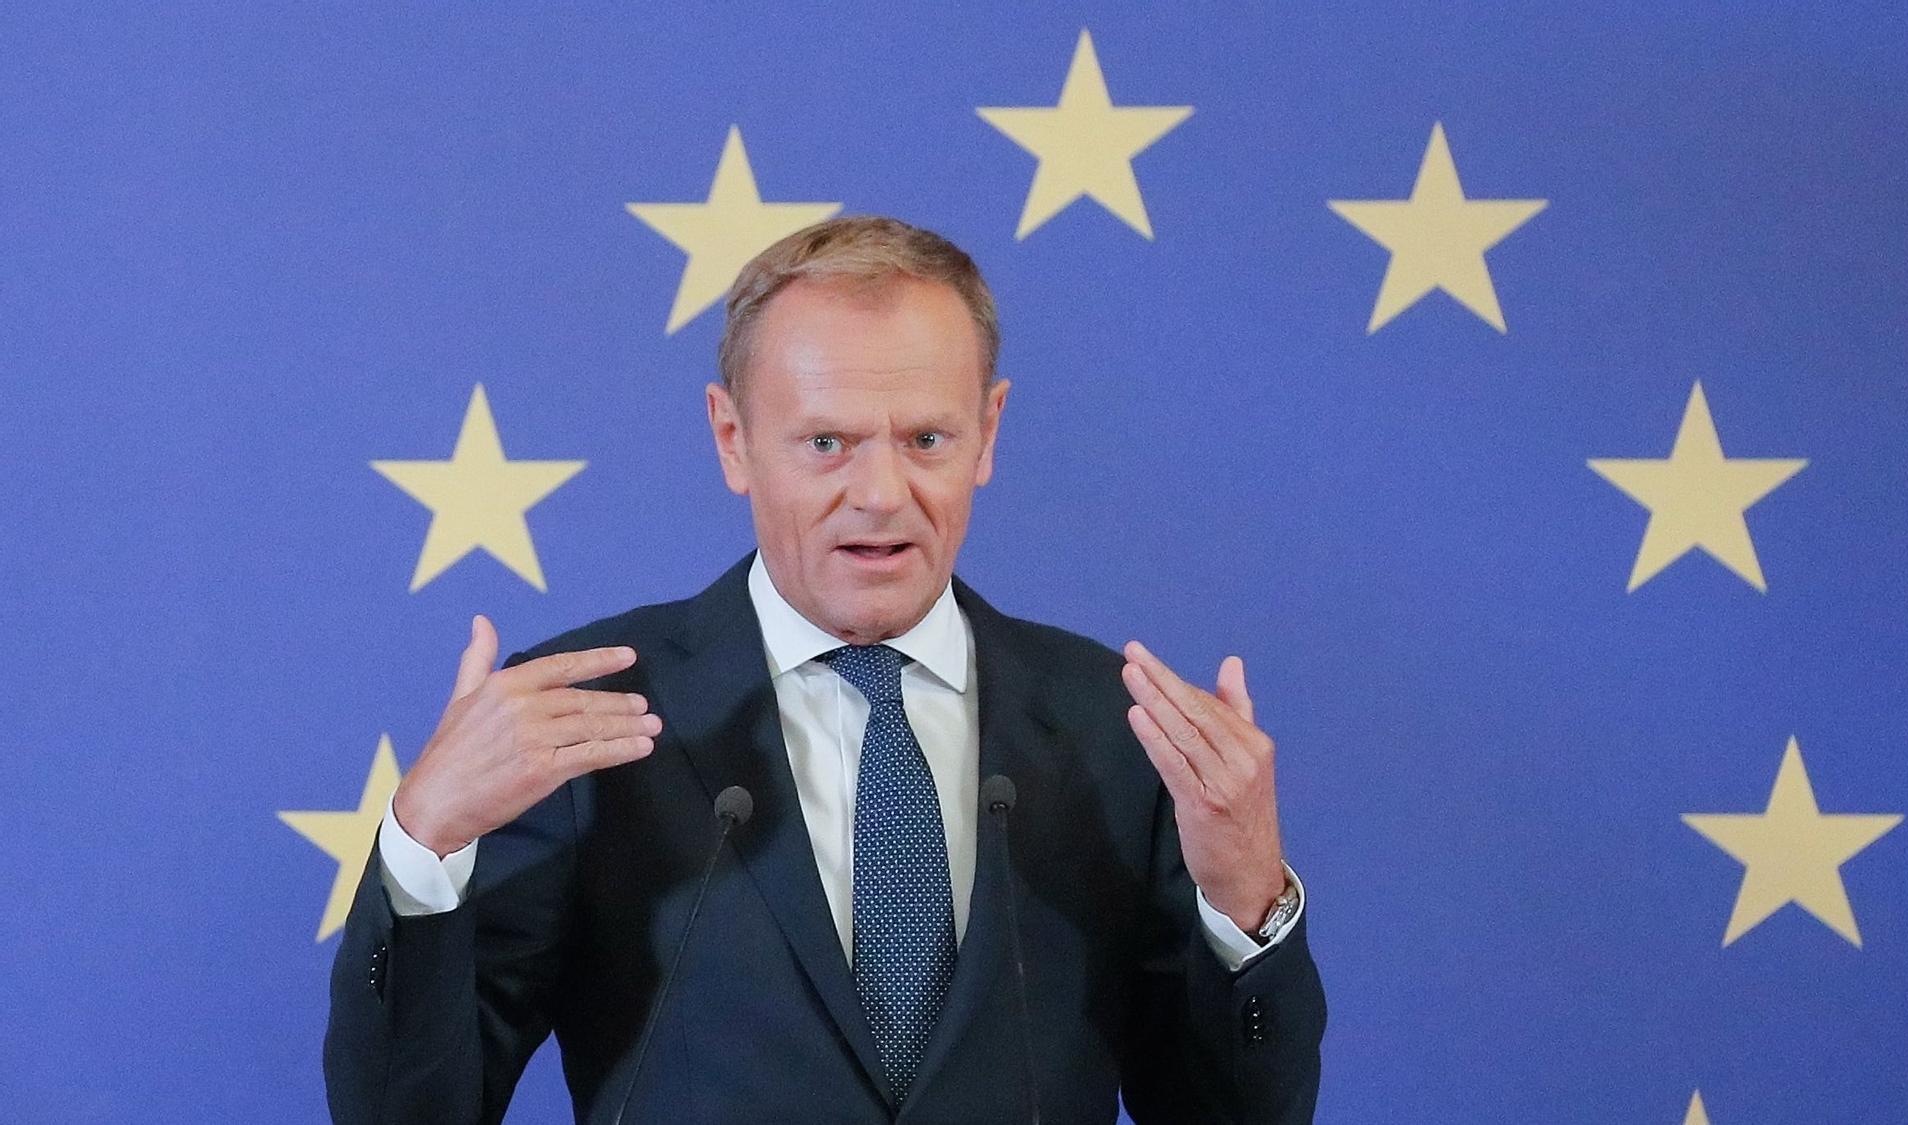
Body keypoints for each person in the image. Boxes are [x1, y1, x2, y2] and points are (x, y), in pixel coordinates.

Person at [325, 216, 1326, 1123]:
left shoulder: (1116, 729)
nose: (881, 495)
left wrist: (1246, 902)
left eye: (925, 438)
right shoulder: (587, 720)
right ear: (733, 438)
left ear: (989, 431)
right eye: (826, 443)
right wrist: (423, 846)